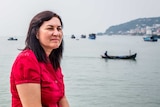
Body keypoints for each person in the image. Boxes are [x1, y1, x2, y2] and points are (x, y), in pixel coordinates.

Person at [10, 10, 70, 107]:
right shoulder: (26, 60)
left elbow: (62, 98)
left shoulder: (53, 62)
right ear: (36, 33)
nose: (56, 33)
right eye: (50, 28)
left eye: (59, 29)